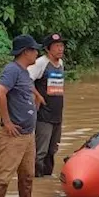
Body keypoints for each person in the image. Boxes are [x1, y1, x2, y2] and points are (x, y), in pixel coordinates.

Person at [0, 34, 43, 197]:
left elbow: (25, 87)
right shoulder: (12, 70)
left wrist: (36, 96)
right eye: (34, 50)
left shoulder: (24, 72)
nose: (37, 53)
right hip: (13, 135)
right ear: (26, 52)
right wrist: (7, 121)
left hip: (28, 135)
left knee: (27, 176)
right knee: (3, 178)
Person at [28, 33, 67, 177]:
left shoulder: (61, 64)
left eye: (62, 46)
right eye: (57, 46)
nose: (60, 49)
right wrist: (37, 96)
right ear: (48, 49)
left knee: (52, 150)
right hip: (44, 115)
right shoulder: (41, 63)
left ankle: (47, 180)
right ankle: (35, 180)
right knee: (41, 151)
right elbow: (26, 78)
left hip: (57, 114)